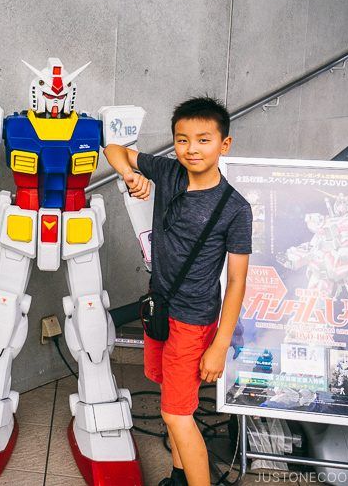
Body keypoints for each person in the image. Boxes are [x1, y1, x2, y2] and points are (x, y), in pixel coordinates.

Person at [104, 97, 251, 486]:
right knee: (170, 393)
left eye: (203, 140)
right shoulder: (168, 172)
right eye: (183, 140)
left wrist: (219, 346)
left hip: (193, 321)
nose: (192, 149)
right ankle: (179, 476)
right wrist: (130, 175)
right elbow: (114, 149)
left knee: (176, 414)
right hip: (160, 309)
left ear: (225, 145)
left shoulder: (235, 208)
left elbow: (237, 281)